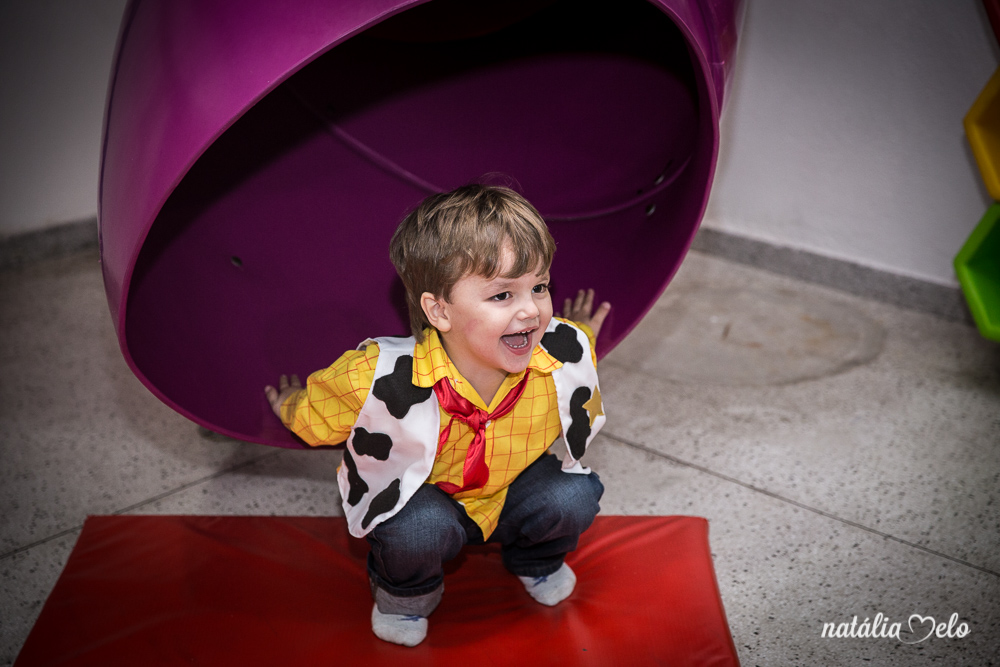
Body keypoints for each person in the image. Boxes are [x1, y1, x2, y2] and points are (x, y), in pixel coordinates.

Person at [265, 184, 611, 647]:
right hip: (426, 499)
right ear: (439, 310)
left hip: (509, 489)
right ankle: (406, 595)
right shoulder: (378, 376)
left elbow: (571, 342)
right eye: (502, 296)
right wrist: (289, 403)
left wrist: (581, 330)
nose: (531, 310)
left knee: (575, 493)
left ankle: (537, 560)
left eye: (540, 286)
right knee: (416, 529)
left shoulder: (559, 350)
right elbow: (318, 414)